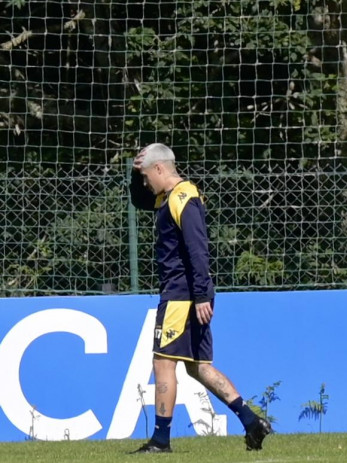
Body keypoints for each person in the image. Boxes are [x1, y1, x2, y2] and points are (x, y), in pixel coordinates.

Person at [129, 143, 271, 453]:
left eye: (146, 177)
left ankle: (160, 441)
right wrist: (133, 170)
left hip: (182, 295)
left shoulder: (183, 197)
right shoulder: (168, 198)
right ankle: (252, 422)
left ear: (159, 169)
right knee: (199, 367)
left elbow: (198, 248)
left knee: (163, 362)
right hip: (189, 293)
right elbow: (138, 199)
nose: (146, 184)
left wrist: (202, 294)